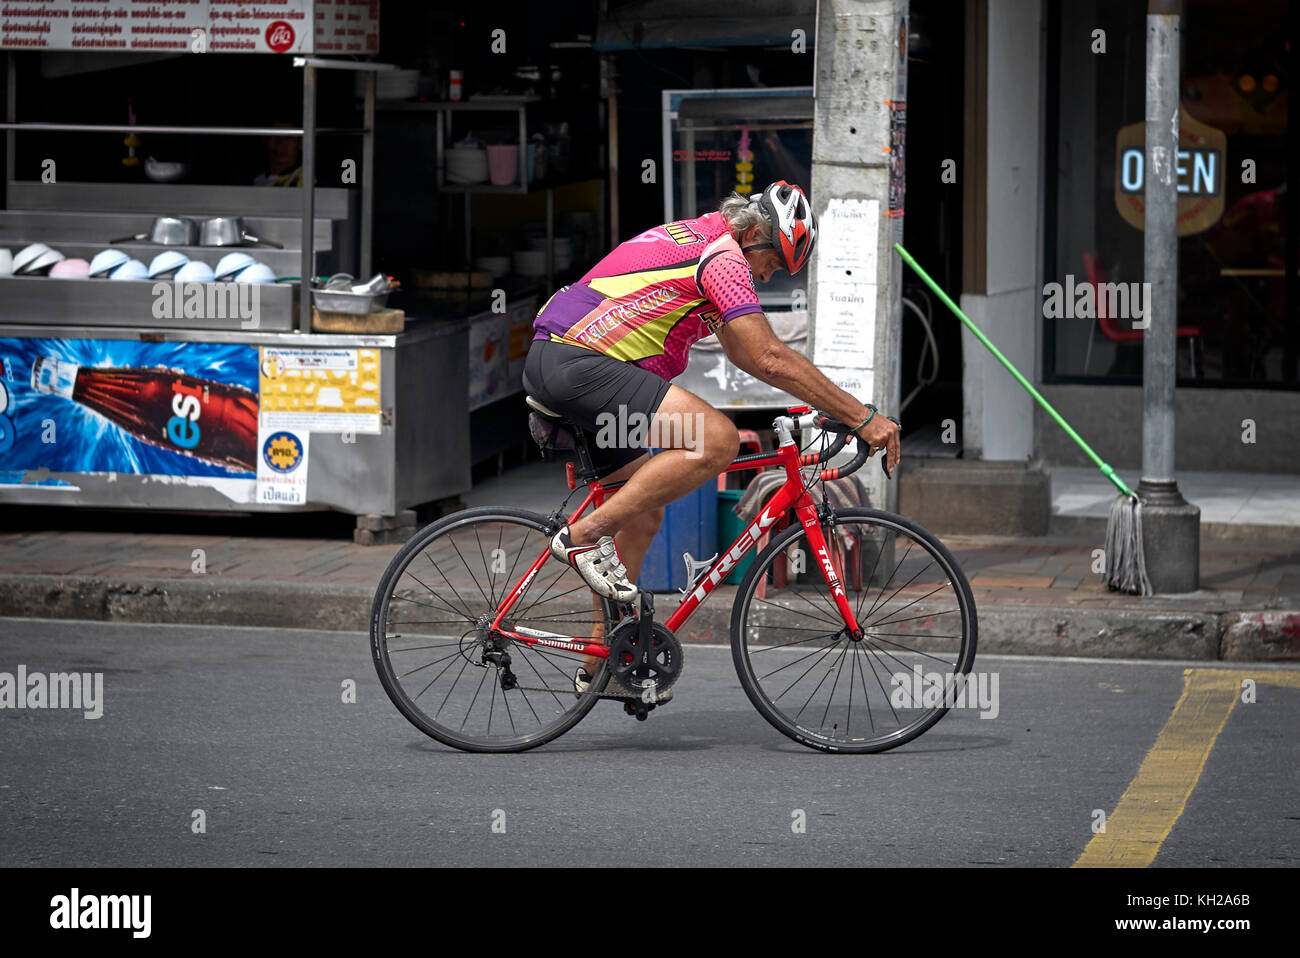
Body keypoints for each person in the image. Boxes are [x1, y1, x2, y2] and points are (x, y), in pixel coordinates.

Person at [521, 181, 902, 692]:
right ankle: (583, 537)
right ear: (752, 235)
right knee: (717, 441)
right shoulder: (723, 258)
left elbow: (748, 356)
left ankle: (606, 661)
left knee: (642, 510)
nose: (769, 275)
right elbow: (769, 355)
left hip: (575, 364)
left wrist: (830, 408)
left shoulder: (710, 246)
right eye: (773, 261)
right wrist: (862, 417)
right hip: (580, 363)